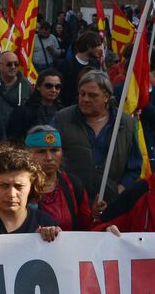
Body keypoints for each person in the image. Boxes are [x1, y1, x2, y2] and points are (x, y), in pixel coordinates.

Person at [53, 71, 140, 206]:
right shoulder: (62, 119)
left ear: (106, 97)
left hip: (111, 204)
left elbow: (134, 165)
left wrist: (120, 190)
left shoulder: (125, 123)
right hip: (72, 202)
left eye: (92, 95)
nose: (85, 99)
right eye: (82, 94)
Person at [0, 144, 62, 241]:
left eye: (19, 186)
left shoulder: (45, 224)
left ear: (31, 187)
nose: (11, 194)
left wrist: (56, 238)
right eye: (3, 185)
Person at [25, 126, 96, 231]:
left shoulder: (73, 184)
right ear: (28, 155)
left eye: (54, 150)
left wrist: (95, 216)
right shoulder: (20, 187)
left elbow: (86, 227)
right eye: (41, 152)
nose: (49, 158)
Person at [6, 68, 63, 142]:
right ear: (38, 87)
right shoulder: (22, 112)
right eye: (48, 86)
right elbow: (13, 141)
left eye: (57, 87)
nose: (54, 90)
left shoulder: (62, 112)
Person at [58, 31, 105, 106]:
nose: (101, 49)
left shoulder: (95, 64)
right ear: (89, 46)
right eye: (98, 45)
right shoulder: (65, 65)